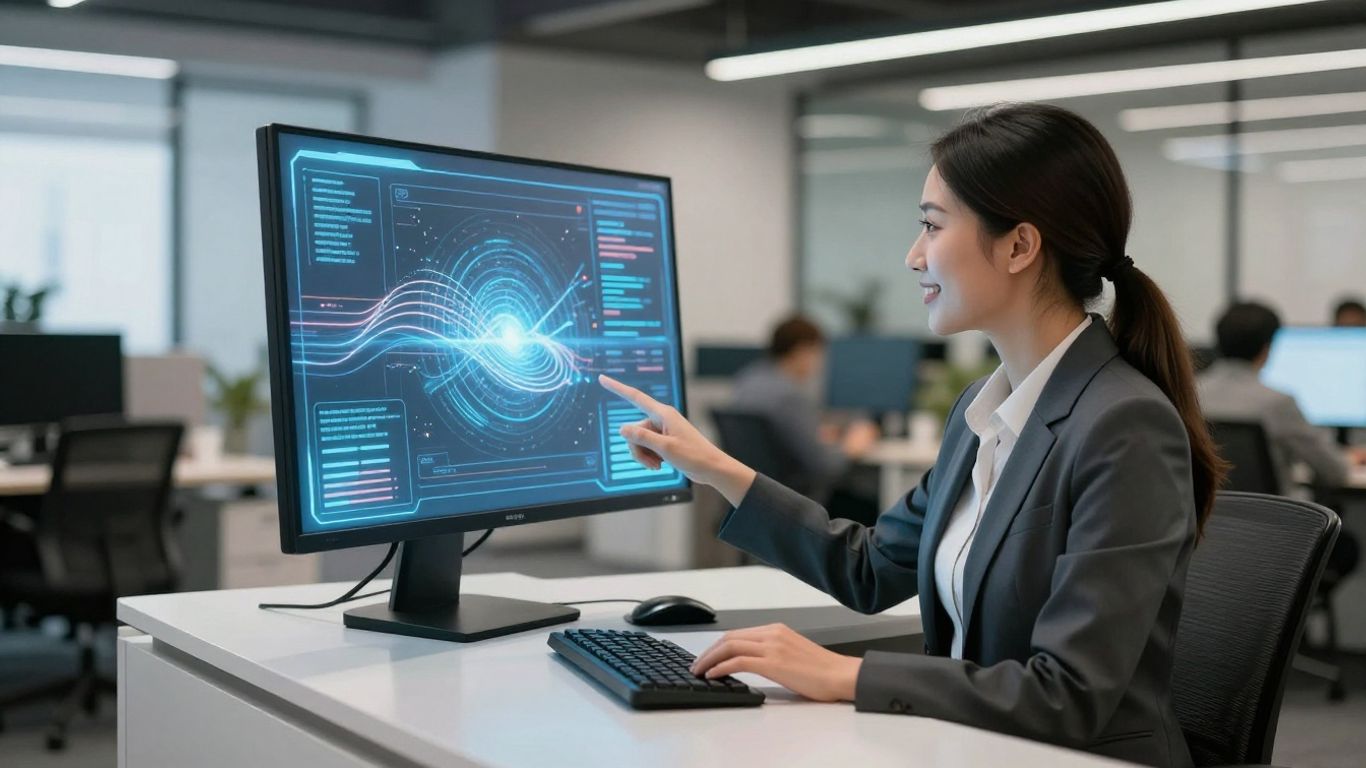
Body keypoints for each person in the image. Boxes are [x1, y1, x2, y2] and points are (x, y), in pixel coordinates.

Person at [601, 102, 1225, 768]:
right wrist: (715, 467)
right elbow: (869, 569)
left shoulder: (1123, 424)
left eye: (931, 226)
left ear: (1019, 245)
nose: (913, 255)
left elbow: (1068, 696)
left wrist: (846, 675)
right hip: (970, 746)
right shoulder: (980, 414)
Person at [1197, 302, 1365, 489]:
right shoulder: (1277, 403)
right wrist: (1347, 457)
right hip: (1274, 513)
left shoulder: (1191, 392)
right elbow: (1335, 472)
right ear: (1267, 348)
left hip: (1209, 511)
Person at [729, 315, 879, 510]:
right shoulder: (789, 396)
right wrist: (852, 447)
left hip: (755, 496)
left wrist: (814, 433)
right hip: (796, 504)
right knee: (871, 501)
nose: (819, 364)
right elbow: (826, 466)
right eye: (818, 354)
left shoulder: (747, 381)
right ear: (802, 352)